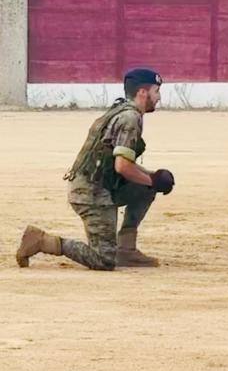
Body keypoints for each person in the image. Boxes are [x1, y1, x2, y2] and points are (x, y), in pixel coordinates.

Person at [16, 69, 175, 271]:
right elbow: (122, 166)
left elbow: (120, 163)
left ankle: (126, 249)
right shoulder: (130, 118)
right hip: (91, 193)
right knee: (104, 260)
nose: (159, 97)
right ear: (143, 93)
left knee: (146, 185)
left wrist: (150, 178)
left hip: (97, 184)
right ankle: (42, 241)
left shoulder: (121, 110)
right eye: (156, 91)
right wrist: (152, 180)